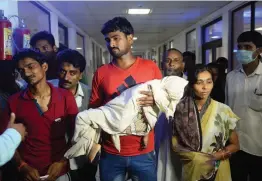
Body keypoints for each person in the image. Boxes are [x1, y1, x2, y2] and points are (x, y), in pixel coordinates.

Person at [89, 17, 162, 181]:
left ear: (130, 38)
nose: (111, 44)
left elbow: (164, 103)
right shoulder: (101, 73)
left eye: (116, 38)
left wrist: (155, 100)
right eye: (108, 40)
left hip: (144, 151)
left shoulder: (150, 68)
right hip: (112, 151)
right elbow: (94, 110)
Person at [0, 49, 78, 181]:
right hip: (28, 175)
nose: (26, 72)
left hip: (58, 173)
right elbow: (5, 140)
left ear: (44, 67)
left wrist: (63, 162)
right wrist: (22, 165)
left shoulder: (65, 97)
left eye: (30, 66)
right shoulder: (14, 101)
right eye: (21, 70)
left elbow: (76, 134)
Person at [172, 64, 240, 181]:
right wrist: (196, 158)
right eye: (199, 82)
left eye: (209, 82)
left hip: (218, 168)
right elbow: (175, 143)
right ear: (192, 84)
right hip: (192, 168)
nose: (205, 87)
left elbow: (235, 145)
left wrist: (215, 157)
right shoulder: (181, 110)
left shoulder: (223, 110)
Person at [49, 49, 94, 181]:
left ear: (80, 75)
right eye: (62, 71)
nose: (66, 77)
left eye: (72, 73)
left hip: (83, 159)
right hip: (53, 159)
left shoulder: (90, 96)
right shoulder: (47, 90)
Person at [226, 31, 262, 181]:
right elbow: (227, 110)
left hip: (259, 147)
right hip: (235, 145)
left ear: (259, 50)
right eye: (239, 47)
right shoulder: (231, 77)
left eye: (248, 47)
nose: (242, 51)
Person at [155, 48, 186, 181]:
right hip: (159, 137)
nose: (171, 64)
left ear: (182, 65)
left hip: (182, 141)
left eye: (176, 61)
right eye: (167, 61)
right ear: (162, 65)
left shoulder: (189, 87)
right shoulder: (156, 86)